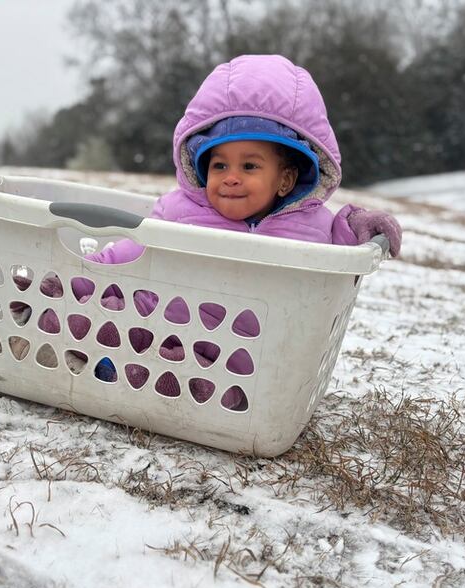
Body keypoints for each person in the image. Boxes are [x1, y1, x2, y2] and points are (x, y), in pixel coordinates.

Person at [66, 55, 403, 398]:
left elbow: (345, 249)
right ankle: (77, 342)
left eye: (250, 166)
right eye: (219, 164)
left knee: (209, 383)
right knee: (111, 312)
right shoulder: (181, 210)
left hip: (240, 359)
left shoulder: (312, 225)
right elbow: (131, 251)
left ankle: (141, 374)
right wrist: (75, 280)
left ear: (285, 179)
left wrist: (361, 223)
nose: (230, 178)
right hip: (159, 324)